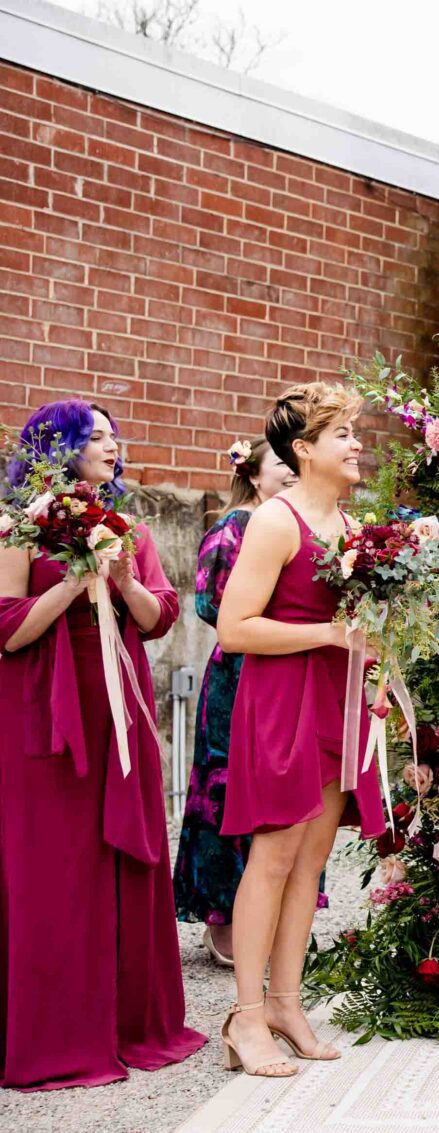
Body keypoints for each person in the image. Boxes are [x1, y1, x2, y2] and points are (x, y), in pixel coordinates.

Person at [0, 399, 206, 1090]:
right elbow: (7, 629)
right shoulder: (16, 528)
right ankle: (54, 1029)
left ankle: (127, 1023)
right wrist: (74, 583)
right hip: (40, 710)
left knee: (124, 856)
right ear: (55, 447)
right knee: (51, 865)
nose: (112, 446)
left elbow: (156, 617)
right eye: (96, 436)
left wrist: (118, 577)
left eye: (116, 436)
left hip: (119, 703)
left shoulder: (130, 528)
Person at [217, 382, 384, 1077]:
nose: (357, 444)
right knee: (275, 856)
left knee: (312, 861)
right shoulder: (276, 522)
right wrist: (331, 632)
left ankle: (286, 1003)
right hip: (284, 700)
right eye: (341, 433)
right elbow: (234, 626)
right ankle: (246, 1017)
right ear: (304, 448)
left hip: (338, 701)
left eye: (354, 431)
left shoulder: (352, 528)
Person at [174, 438, 316, 966]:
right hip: (239, 676)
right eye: (281, 465)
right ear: (254, 476)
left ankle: (279, 919)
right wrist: (286, 622)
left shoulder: (308, 521)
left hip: (296, 670)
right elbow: (211, 603)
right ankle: (226, 918)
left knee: (290, 792)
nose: (291, 473)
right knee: (229, 791)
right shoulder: (233, 527)